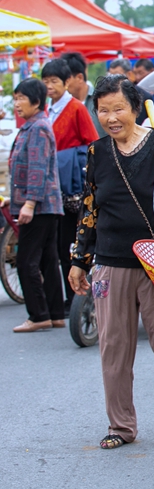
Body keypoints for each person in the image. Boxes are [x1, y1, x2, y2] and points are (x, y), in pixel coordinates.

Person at [68, 75, 154, 450]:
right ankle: (120, 426)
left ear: (135, 108)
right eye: (103, 110)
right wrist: (79, 259)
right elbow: (90, 209)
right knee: (114, 347)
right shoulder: (97, 153)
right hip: (110, 262)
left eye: (118, 108)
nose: (111, 117)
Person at [42, 59, 100, 316]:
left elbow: (91, 142)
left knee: (71, 242)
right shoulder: (48, 109)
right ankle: (69, 296)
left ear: (66, 83)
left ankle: (75, 297)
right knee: (58, 244)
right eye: (46, 82)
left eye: (54, 81)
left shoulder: (76, 108)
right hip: (55, 184)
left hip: (73, 187)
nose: (50, 86)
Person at [6, 78, 65, 333]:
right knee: (48, 260)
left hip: (39, 205)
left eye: (21, 98)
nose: (16, 104)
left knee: (26, 260)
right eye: (15, 98)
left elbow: (37, 170)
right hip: (43, 204)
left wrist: (28, 203)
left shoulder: (38, 127)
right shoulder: (32, 126)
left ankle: (38, 314)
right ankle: (54, 313)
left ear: (36, 102)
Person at [60, 52, 103, 137]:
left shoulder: (101, 100)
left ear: (80, 78)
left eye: (66, 80)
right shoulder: (61, 104)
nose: (63, 84)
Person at [108, 59, 154, 125]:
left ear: (129, 74)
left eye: (117, 75)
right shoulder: (109, 96)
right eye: (110, 76)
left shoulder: (144, 96)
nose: (113, 79)